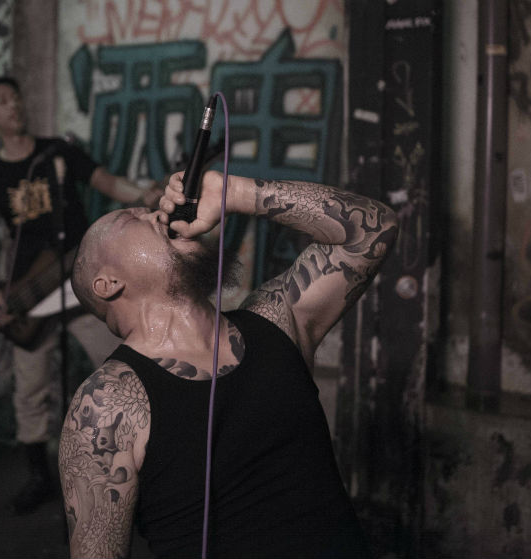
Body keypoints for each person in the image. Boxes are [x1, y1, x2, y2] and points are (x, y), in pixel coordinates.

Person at [58, 170, 399, 558]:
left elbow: (374, 229)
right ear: (108, 284)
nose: (158, 212)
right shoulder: (106, 404)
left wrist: (238, 193)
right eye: (131, 218)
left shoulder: (278, 322)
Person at [0, 77, 162, 514]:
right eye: (2, 101)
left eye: (16, 97)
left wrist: (145, 195)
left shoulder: (57, 152)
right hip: (28, 294)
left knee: (119, 366)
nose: (13, 105)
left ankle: (135, 469)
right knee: (30, 388)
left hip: (81, 279)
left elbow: (107, 184)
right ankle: (38, 475)